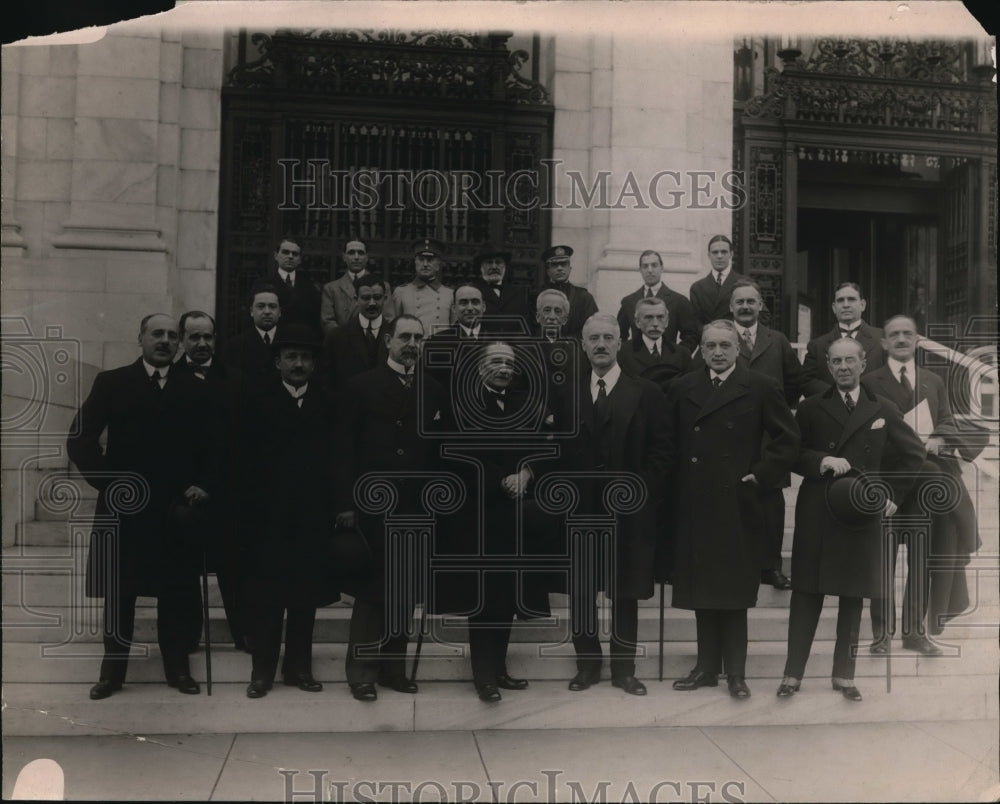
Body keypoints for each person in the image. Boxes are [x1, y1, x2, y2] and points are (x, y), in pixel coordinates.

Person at [67, 314, 217, 699]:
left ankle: (178, 670)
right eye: (157, 334)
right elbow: (81, 440)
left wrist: (204, 483)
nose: (164, 341)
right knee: (121, 594)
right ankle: (112, 674)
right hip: (125, 509)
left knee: (177, 591)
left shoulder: (196, 388)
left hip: (174, 509)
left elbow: (216, 447)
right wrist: (110, 484)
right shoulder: (113, 382)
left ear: (180, 343)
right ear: (141, 339)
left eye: (171, 335)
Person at [778, 337, 925, 702]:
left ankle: (845, 675)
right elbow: (792, 454)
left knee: (852, 596)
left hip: (860, 514)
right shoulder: (810, 407)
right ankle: (792, 674)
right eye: (836, 361)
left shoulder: (884, 409)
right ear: (828, 366)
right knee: (806, 594)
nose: (843, 367)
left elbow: (914, 455)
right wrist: (820, 461)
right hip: (818, 510)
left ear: (863, 364)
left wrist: (892, 495)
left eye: (850, 361)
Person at [666, 320, 800, 700]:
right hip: (695, 503)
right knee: (702, 591)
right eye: (711, 346)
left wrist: (761, 474)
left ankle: (736, 674)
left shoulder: (760, 386)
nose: (718, 352)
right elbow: (668, 442)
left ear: (739, 348)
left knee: (734, 593)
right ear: (702, 350)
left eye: (726, 345)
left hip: (738, 503)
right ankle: (706, 668)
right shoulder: (682, 388)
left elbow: (788, 440)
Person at [546, 313, 670, 696]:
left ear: (620, 342)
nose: (601, 344)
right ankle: (587, 665)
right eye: (593, 338)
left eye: (608, 338)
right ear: (582, 344)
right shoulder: (566, 394)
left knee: (626, 592)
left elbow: (662, 452)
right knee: (582, 592)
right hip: (580, 510)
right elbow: (553, 451)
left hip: (629, 512)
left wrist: (640, 492)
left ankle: (624, 669)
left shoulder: (646, 392)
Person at [333, 315, 451, 701]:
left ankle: (393, 670)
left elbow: (439, 453)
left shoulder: (433, 391)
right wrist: (347, 502)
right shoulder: (360, 387)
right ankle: (362, 672)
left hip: (416, 508)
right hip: (373, 506)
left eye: (418, 337)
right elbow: (344, 450)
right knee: (371, 593)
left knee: (403, 590)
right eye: (404, 337)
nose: (411, 343)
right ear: (388, 340)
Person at [862, 315, 980, 656]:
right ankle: (882, 634)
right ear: (883, 343)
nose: (901, 339)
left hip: (926, 489)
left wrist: (938, 439)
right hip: (890, 484)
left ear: (917, 340)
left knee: (922, 560)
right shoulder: (870, 381)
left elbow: (945, 418)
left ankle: (915, 633)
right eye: (894, 334)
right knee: (883, 563)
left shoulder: (933, 380)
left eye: (907, 334)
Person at [443, 342, 551, 702]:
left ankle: (500, 667)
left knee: (506, 595)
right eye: (496, 362)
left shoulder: (525, 403)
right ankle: (483, 675)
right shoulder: (462, 403)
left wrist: (526, 472)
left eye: (509, 363)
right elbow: (457, 454)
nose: (503, 368)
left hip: (515, 516)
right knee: (485, 597)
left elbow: (539, 447)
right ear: (479, 367)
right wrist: (499, 481)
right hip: (479, 513)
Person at [240, 323, 340, 698]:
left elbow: (336, 458)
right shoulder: (256, 399)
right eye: (292, 357)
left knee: (305, 598)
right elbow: (241, 460)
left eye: (305, 358)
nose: (299, 364)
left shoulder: (328, 401)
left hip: (312, 516)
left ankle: (299, 668)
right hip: (269, 518)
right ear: (277, 362)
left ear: (314, 364)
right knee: (267, 598)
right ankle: (262, 671)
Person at [174, 311, 247, 652]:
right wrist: (186, 486)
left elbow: (243, 441)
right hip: (182, 494)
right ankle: (188, 635)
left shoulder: (235, 378)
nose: (202, 344)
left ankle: (243, 633)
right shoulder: (168, 379)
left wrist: (211, 485)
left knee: (233, 567)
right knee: (186, 568)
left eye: (208, 337)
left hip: (227, 490)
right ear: (182, 340)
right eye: (194, 337)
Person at [727, 279, 802, 591]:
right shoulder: (720, 337)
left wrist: (777, 416)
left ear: (760, 306)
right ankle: (736, 565)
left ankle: (770, 567)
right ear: (731, 307)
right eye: (740, 302)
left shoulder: (778, 340)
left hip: (770, 438)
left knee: (771, 505)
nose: (745, 307)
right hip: (730, 436)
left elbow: (795, 382)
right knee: (732, 503)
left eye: (751, 301)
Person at [800, 282, 885, 398]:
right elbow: (807, 382)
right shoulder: (817, 346)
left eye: (851, 299)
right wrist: (838, 397)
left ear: (863, 305)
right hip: (832, 411)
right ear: (834, 308)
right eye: (841, 300)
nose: (846, 305)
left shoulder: (882, 339)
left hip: (874, 409)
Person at [616, 250, 699, 353]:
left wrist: (676, 357)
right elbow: (619, 335)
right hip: (637, 365)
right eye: (645, 266)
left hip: (668, 364)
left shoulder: (679, 301)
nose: (650, 270)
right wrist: (630, 356)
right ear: (640, 270)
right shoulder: (629, 301)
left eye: (654, 265)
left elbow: (691, 336)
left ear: (662, 268)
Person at [322, 273, 390, 393]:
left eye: (377, 297)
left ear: (385, 299)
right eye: (366, 298)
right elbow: (327, 381)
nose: (372, 303)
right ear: (356, 300)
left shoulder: (395, 335)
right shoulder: (336, 336)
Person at [617, 297, 692, 395]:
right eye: (648, 317)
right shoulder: (622, 353)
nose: (655, 324)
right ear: (637, 322)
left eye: (660, 317)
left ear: (667, 321)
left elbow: (689, 391)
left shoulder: (682, 354)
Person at [320, 239, 393, 334]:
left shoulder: (383, 286)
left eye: (361, 253)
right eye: (351, 253)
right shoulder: (331, 289)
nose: (356, 257)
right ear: (344, 257)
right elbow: (327, 322)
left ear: (367, 257)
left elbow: (388, 319)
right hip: (343, 343)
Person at [223, 282, 283, 391]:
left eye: (272, 306)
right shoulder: (235, 346)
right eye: (261, 306)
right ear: (251, 311)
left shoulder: (288, 342)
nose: (267, 312)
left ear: (279, 312)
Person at [392, 238, 454, 334]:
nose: (425, 264)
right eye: (421, 259)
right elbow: (394, 328)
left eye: (430, 260)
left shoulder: (450, 294)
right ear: (415, 262)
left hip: (440, 347)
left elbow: (454, 330)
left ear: (438, 264)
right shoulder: (401, 292)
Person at [535, 245, 598, 341]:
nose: (560, 268)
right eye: (555, 265)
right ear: (548, 271)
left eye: (563, 264)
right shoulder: (535, 296)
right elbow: (532, 328)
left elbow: (592, 328)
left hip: (574, 349)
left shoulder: (584, 297)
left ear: (570, 268)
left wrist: (565, 342)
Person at [470, 243, 532, 332]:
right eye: (489, 262)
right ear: (480, 267)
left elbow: (525, 327)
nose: (494, 267)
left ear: (505, 266)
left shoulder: (518, 293)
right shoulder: (472, 291)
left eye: (498, 262)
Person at [265, 237, 322, 329]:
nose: (290, 256)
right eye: (285, 252)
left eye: (295, 254)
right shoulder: (263, 284)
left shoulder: (310, 288)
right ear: (276, 256)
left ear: (299, 260)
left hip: (301, 339)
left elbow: (315, 320)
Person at [688, 235, 742, 328]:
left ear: (731, 254)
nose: (719, 256)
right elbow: (694, 321)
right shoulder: (697, 288)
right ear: (709, 255)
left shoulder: (744, 283)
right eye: (715, 252)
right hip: (709, 339)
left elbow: (763, 315)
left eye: (724, 252)